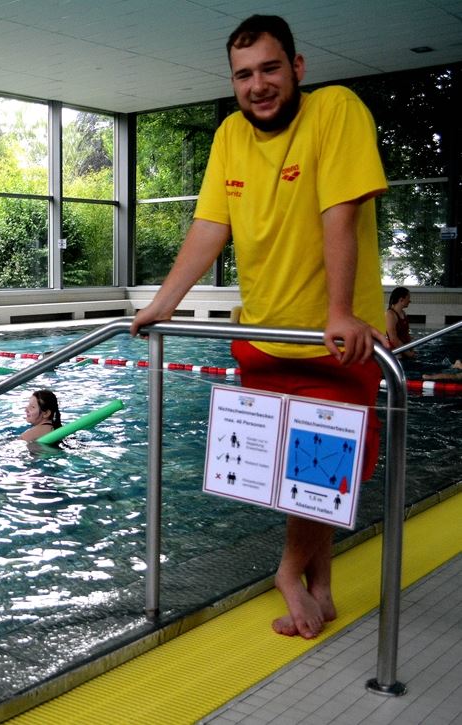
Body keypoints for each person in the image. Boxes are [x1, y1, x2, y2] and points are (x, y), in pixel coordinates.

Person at [130, 15, 388, 640]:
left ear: (297, 68)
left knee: (321, 470)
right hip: (263, 337)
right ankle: (320, 584)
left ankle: (287, 572)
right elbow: (210, 226)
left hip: (331, 341)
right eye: (243, 74)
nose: (258, 85)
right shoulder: (229, 135)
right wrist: (164, 303)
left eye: (270, 68)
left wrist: (339, 310)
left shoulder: (335, 110)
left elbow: (340, 210)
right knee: (296, 475)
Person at [384, 287, 414, 359]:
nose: (410, 301)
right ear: (401, 300)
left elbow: (406, 334)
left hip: (405, 349)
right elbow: (393, 339)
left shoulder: (403, 313)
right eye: (408, 298)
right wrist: (409, 354)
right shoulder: (390, 315)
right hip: (397, 352)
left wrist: (411, 349)